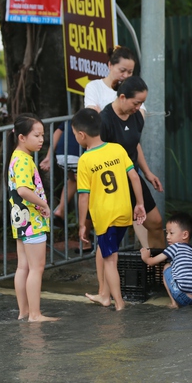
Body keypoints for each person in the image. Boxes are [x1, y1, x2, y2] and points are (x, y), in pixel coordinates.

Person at [84, 76, 165, 305]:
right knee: (107, 240)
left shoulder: (137, 116)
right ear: (122, 97)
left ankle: (159, 274)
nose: (139, 108)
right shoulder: (105, 120)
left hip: (133, 177)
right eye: (136, 103)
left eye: (141, 103)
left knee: (156, 222)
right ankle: (103, 291)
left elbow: (134, 143)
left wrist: (147, 173)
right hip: (113, 185)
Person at [72, 108, 147, 311]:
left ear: (81, 135)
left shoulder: (85, 160)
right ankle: (104, 295)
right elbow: (134, 176)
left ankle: (119, 304)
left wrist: (81, 225)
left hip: (105, 217)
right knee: (106, 250)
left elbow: (83, 196)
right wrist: (139, 204)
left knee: (110, 260)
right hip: (124, 211)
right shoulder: (117, 149)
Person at [8, 113, 58, 322]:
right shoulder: (23, 160)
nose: (41, 140)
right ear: (22, 137)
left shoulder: (17, 157)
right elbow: (22, 190)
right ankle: (35, 314)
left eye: (42, 135)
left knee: (23, 267)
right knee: (36, 268)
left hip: (21, 221)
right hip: (32, 221)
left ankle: (25, 312)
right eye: (36, 135)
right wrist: (44, 203)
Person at [140, 213, 192, 308]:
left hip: (182, 297)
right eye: (167, 233)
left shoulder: (175, 247)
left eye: (171, 233)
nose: (167, 237)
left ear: (185, 235)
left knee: (167, 266)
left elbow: (152, 262)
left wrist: (145, 257)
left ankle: (174, 303)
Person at [39, 121, 80, 222]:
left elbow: (57, 133)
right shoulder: (97, 116)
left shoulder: (72, 119)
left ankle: (60, 210)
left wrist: (49, 156)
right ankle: (85, 224)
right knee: (87, 188)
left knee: (73, 180)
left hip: (62, 156)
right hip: (78, 155)